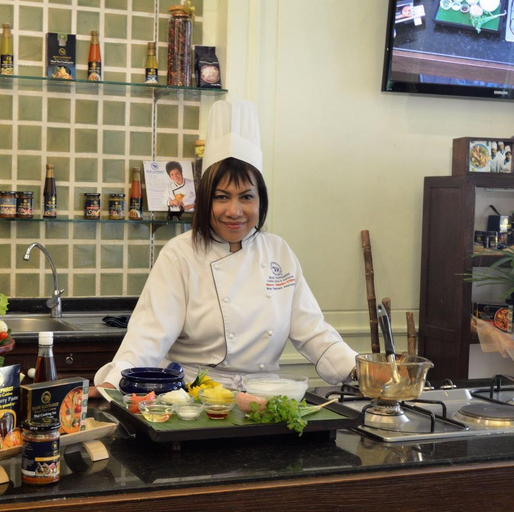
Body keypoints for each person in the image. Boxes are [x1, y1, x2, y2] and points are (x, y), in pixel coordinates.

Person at [93, 100, 358, 394]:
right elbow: (149, 335)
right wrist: (113, 383)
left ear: (260, 200)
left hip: (265, 397)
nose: (235, 211)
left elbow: (313, 331)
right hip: (195, 398)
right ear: (206, 200)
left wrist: (360, 371)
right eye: (222, 197)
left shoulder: (278, 252)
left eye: (246, 197)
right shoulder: (180, 254)